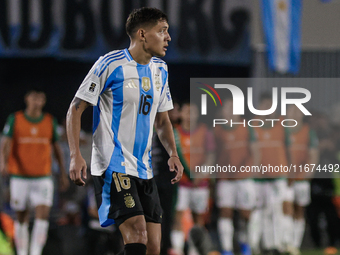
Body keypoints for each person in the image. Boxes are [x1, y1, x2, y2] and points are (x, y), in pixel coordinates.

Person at [66, 7, 183, 255]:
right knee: (137, 233)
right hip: (113, 165)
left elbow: (162, 121)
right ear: (142, 34)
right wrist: (75, 154)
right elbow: (75, 109)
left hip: (144, 168)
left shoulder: (161, 70)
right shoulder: (110, 64)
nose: (168, 37)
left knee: (152, 247)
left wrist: (173, 153)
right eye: (162, 31)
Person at [0, 89, 69, 255]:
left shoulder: (49, 121)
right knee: (21, 217)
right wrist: (3, 163)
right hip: (20, 176)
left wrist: (62, 173)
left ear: (44, 101)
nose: (37, 101)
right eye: (34, 97)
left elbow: (57, 149)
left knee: (42, 216)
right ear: (27, 99)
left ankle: (36, 252)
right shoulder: (15, 119)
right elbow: (6, 142)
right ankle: (23, 252)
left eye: (41, 98)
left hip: (43, 177)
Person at [214, 98, 260, 255]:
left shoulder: (247, 127)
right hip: (225, 180)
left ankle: (246, 245)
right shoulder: (217, 129)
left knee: (246, 214)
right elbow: (214, 154)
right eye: (226, 109)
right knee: (225, 213)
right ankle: (227, 249)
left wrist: (250, 171)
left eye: (232, 108)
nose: (229, 112)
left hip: (244, 179)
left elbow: (255, 152)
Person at [171, 102, 215, 255]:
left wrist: (201, 175)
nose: (190, 116)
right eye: (187, 112)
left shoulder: (205, 132)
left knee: (198, 219)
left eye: (193, 112)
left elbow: (210, 156)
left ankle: (194, 250)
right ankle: (176, 250)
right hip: (181, 184)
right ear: (181, 114)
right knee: (178, 217)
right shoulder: (174, 132)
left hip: (200, 184)